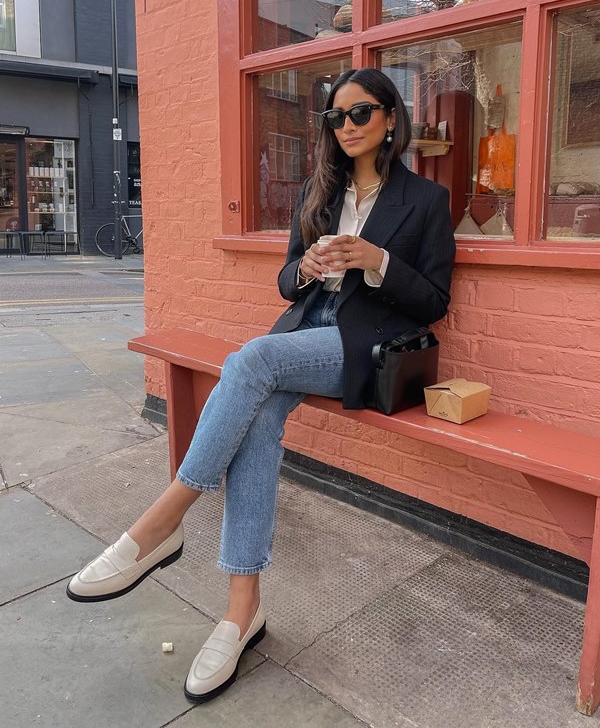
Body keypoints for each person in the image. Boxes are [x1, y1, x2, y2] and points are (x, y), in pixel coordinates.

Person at [66, 68, 456, 703]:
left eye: (361, 114)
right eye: (337, 118)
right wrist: (305, 266)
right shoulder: (319, 189)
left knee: (252, 361)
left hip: (363, 349)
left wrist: (377, 262)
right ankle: (241, 609)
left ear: (390, 117)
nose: (348, 127)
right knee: (261, 415)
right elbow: (284, 284)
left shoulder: (425, 201)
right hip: (305, 334)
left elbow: (434, 301)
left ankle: (164, 519)